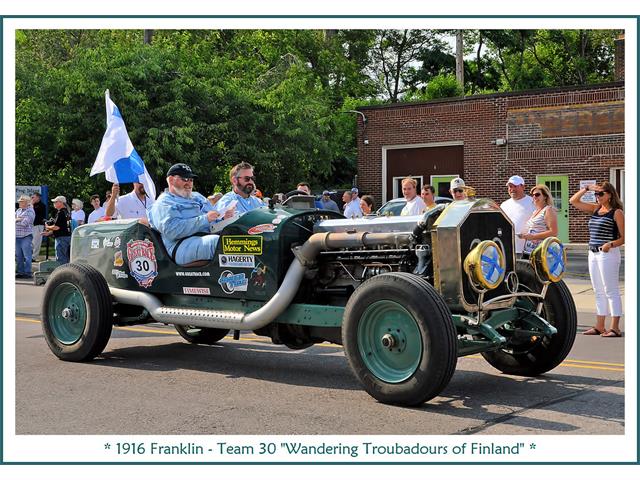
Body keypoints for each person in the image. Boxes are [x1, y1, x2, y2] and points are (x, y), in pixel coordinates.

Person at [149, 163, 235, 265]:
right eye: (184, 179)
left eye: (191, 180)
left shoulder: (197, 196)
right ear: (171, 180)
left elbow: (212, 222)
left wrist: (223, 218)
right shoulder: (164, 203)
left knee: (243, 239)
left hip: (206, 236)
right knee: (221, 243)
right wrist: (204, 219)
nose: (189, 183)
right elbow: (171, 231)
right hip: (180, 245)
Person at [570, 181, 625, 337]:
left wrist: (611, 244)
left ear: (610, 195)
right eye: (596, 194)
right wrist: (587, 188)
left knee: (611, 290)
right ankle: (599, 326)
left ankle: (615, 327)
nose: (597, 196)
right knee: (598, 291)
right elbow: (573, 201)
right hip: (592, 253)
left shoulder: (616, 212)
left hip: (608, 253)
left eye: (601, 193)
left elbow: (624, 237)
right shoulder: (595, 209)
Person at [519, 184, 558, 257]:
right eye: (532, 195)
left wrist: (533, 236)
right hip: (529, 251)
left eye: (537, 194)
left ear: (545, 196)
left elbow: (554, 232)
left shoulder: (548, 210)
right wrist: (524, 235)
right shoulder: (535, 211)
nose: (534, 197)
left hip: (542, 252)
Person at [501, 175, 535, 255]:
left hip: (528, 250)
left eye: (515, 186)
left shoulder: (533, 202)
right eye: (510, 186)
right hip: (508, 249)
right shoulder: (504, 205)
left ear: (523, 187)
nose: (512, 189)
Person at [43, 195, 71, 265]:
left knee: (61, 259)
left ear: (61, 203)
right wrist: (49, 233)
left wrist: (47, 226)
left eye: (55, 202)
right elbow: (63, 227)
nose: (54, 203)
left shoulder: (61, 212)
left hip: (61, 238)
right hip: (67, 237)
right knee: (66, 258)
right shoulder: (67, 212)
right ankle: (66, 274)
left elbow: (57, 227)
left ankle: (62, 275)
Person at [15, 195, 35, 278]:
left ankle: (27, 273)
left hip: (26, 236)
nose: (19, 202)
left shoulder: (30, 211)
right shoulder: (18, 210)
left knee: (27, 256)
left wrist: (17, 220)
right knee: (18, 255)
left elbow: (25, 223)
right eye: (19, 201)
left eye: (21, 201)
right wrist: (18, 219)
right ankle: (20, 272)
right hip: (17, 236)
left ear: (26, 202)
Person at [30, 192, 46, 258]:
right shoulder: (31, 205)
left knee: (36, 242)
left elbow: (35, 213)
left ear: (38, 197)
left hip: (38, 225)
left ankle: (34, 257)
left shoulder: (41, 205)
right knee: (30, 242)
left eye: (33, 197)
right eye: (32, 197)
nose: (32, 199)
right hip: (31, 225)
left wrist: (32, 205)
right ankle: (29, 256)